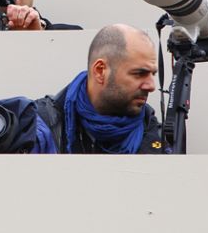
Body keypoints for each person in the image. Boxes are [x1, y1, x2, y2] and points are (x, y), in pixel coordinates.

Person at [34, 23, 165, 153]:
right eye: (139, 73)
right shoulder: (39, 126)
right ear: (100, 71)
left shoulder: (158, 136)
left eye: (152, 74)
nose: (151, 86)